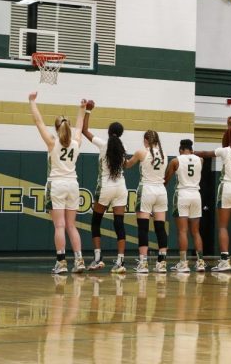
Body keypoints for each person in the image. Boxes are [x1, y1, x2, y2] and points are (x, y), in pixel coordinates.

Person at [28, 92, 86, 274]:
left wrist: (32, 102)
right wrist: (82, 110)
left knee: (59, 226)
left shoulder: (52, 143)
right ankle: (79, 260)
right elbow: (79, 127)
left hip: (57, 185)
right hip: (73, 185)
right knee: (71, 225)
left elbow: (38, 122)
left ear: (56, 128)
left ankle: (61, 263)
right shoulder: (76, 143)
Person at [195, 117, 231, 273]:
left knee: (223, 226)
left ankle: (225, 261)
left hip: (227, 187)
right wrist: (230, 126)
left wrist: (192, 152)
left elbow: (206, 153)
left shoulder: (225, 151)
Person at [82, 112, 128, 274]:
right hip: (121, 187)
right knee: (119, 224)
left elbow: (84, 129)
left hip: (106, 186)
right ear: (121, 133)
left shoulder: (103, 144)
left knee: (96, 222)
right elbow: (126, 165)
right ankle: (120, 261)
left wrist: (87, 111)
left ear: (109, 132)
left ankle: (98, 258)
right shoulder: (123, 149)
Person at [128, 130, 169, 273]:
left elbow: (127, 165)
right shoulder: (164, 155)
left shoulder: (141, 152)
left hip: (147, 189)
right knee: (160, 228)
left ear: (146, 140)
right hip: (161, 191)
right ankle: (162, 263)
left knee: (143, 228)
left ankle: (143, 263)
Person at [167, 139, 204, 273]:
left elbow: (166, 179)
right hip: (196, 195)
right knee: (196, 232)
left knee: (183, 231)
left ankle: (183, 263)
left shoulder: (175, 161)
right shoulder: (200, 160)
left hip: (182, 194)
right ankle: (200, 262)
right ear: (191, 149)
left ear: (180, 149)